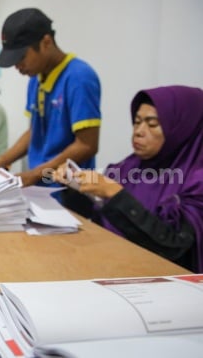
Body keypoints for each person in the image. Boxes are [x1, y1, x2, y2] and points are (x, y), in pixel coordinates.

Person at [54, 86, 203, 273]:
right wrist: (73, 185)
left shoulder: (196, 180)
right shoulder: (129, 167)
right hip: (112, 265)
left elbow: (174, 247)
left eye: (152, 124)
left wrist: (115, 193)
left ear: (181, 128)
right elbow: (94, 214)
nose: (139, 131)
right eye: (137, 122)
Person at [0, 8, 101, 190]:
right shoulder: (35, 79)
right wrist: (0, 161)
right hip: (40, 187)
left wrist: (34, 175)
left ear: (46, 42)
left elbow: (87, 145)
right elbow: (33, 132)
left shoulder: (79, 77)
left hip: (67, 189)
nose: (17, 67)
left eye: (21, 57)